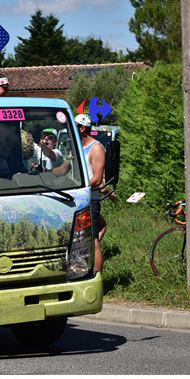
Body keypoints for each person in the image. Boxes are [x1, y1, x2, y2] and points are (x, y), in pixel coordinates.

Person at [76, 114, 107, 274]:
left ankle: (97, 279)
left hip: (90, 200)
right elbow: (66, 168)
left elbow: (97, 178)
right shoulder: (76, 147)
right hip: (75, 199)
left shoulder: (96, 148)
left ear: (82, 128)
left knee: (94, 242)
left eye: (74, 126)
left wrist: (79, 187)